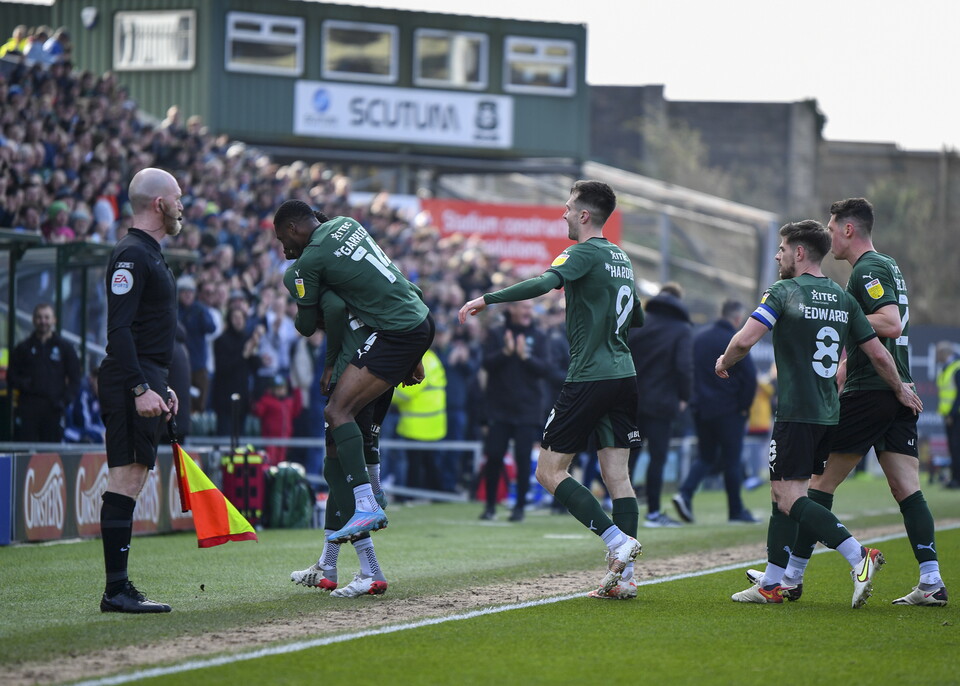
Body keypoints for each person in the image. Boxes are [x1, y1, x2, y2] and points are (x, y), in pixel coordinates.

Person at [721, 219, 923, 607]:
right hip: (829, 413)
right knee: (787, 492)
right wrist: (899, 388)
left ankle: (856, 555)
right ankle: (775, 581)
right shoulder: (843, 298)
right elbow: (879, 352)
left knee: (789, 495)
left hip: (797, 412)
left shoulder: (784, 291)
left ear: (799, 253)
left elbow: (745, 339)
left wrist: (724, 360)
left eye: (782, 249)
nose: (778, 255)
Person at [459, 180, 643, 600]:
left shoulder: (581, 253)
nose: (562, 213)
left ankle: (616, 541)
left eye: (567, 207)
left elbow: (543, 283)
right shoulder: (622, 258)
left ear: (583, 215)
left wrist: (486, 299)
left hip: (590, 375)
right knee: (619, 477)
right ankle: (626, 578)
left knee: (548, 471)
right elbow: (638, 318)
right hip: (624, 373)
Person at [773, 198, 948, 606]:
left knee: (816, 484)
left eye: (832, 227)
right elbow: (876, 336)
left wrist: (836, 314)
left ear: (848, 230)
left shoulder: (867, 270)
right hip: (895, 389)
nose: (829, 235)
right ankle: (931, 581)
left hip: (873, 393)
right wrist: (843, 366)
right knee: (906, 488)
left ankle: (793, 577)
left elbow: (889, 321)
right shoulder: (887, 265)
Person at [273, 200, 434, 545]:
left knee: (338, 414)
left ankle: (367, 504)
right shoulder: (348, 224)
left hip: (393, 334)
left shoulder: (309, 263)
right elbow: (397, 278)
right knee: (359, 438)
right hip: (416, 318)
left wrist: (327, 355)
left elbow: (310, 321)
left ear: (291, 229)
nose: (283, 249)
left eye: (281, 240)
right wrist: (414, 353)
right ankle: (362, 512)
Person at [96, 167, 182, 613]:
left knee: (133, 479)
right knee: (126, 478)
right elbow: (119, 330)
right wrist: (138, 387)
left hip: (148, 377)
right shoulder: (131, 254)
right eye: (177, 197)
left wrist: (160, 386)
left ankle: (118, 588)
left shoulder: (150, 252)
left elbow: (146, 332)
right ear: (158, 204)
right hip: (132, 379)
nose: (182, 205)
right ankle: (116, 591)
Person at [290, 283, 392, 598]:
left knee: (340, 472)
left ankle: (371, 571)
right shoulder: (371, 292)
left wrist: (330, 365)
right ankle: (327, 565)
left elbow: (308, 324)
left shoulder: (331, 294)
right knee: (337, 469)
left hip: (352, 375)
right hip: (380, 370)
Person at [672, 300, 757, 524]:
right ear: (738, 319)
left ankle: (685, 493)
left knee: (706, 456)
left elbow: (686, 370)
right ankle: (736, 511)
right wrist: (743, 407)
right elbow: (750, 378)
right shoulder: (736, 340)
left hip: (701, 408)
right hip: (729, 409)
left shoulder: (699, 337)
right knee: (732, 460)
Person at [478, 299, 552, 522]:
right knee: (494, 457)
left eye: (530, 308)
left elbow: (545, 369)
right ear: (512, 309)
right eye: (524, 307)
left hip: (527, 409)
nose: (529, 312)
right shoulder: (497, 333)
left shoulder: (539, 336)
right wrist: (506, 352)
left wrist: (525, 356)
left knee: (522, 458)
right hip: (499, 407)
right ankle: (490, 506)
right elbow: (486, 363)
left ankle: (519, 507)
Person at [627, 282, 693, 527]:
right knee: (657, 458)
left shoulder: (639, 322)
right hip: (663, 403)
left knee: (629, 457)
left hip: (632, 400)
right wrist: (685, 396)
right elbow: (684, 367)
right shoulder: (681, 328)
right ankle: (654, 513)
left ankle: (622, 510)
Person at [9, 303, 81, 442]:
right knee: (25, 452)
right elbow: (11, 376)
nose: (43, 321)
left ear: (54, 320)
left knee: (50, 456)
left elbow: (75, 379)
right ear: (34, 320)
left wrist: (63, 402)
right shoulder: (23, 348)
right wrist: (27, 385)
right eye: (39, 317)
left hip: (53, 411)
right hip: (27, 411)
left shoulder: (65, 348)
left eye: (47, 317)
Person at [252, 374, 302, 465]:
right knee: (271, 461)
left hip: (285, 439)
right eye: (277, 389)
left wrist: (297, 392)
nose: (281, 391)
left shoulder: (288, 402)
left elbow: (296, 411)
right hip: (270, 440)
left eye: (282, 388)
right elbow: (258, 412)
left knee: (281, 462)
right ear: (271, 390)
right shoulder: (266, 400)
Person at [936, 341, 960, 489]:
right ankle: (954, 478)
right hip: (949, 415)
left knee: (956, 447)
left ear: (945, 353)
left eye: (938, 353)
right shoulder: (947, 368)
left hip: (956, 415)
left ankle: (957, 480)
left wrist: (951, 413)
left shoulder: (956, 367)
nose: (936, 356)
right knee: (953, 447)